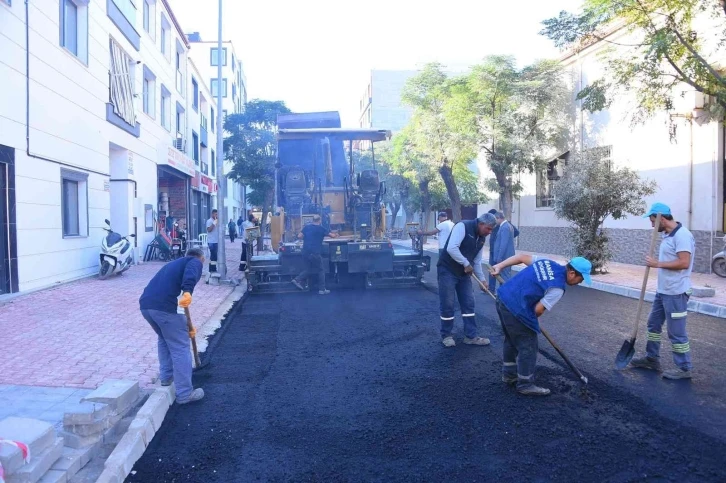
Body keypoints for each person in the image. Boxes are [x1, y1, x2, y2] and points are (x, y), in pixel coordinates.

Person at [491, 254, 592, 396]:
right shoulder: (557, 288)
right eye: (580, 279)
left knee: (511, 339)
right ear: (572, 273)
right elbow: (538, 310)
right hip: (516, 309)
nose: (579, 282)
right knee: (529, 346)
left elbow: (521, 257)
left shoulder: (546, 263)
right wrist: (533, 321)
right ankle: (525, 384)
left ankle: (509, 375)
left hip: (502, 297)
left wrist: (499, 266)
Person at [630, 203, 695, 379]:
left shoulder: (682, 235)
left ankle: (684, 368)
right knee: (653, 324)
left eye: (653, 221)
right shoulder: (667, 235)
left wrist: (656, 263)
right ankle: (652, 359)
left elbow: (684, 263)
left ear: (662, 219)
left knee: (676, 332)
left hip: (676, 292)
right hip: (663, 291)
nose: (652, 225)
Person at [139, 248, 206, 404]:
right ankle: (184, 394)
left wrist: (188, 327)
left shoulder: (173, 264)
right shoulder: (195, 261)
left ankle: (166, 377)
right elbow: (190, 275)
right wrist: (188, 291)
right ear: (201, 258)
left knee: (164, 338)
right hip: (163, 308)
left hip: (146, 306)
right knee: (180, 347)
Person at [437, 213, 496, 348]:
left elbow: (476, 261)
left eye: (491, 229)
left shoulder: (481, 238)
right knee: (448, 303)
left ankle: (471, 336)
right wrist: (465, 263)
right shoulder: (462, 226)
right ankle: (446, 335)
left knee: (468, 303)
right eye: (488, 228)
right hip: (448, 270)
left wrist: (482, 280)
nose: (490, 232)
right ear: (481, 224)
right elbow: (452, 248)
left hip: (464, 274)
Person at [291, 215, 338, 295]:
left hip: (305, 252)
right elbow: (332, 236)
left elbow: (299, 236)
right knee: (321, 270)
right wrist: (336, 234)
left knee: (309, 269)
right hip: (315, 253)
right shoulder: (321, 228)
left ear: (313, 220)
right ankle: (322, 290)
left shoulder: (307, 227)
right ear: (319, 220)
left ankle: (297, 279)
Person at [489, 212, 516, 290]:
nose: (495, 222)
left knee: (504, 276)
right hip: (506, 256)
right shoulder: (507, 226)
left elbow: (503, 244)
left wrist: (499, 258)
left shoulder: (505, 227)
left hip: (505, 257)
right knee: (503, 276)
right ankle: (502, 295)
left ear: (499, 218)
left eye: (495, 220)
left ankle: (505, 295)